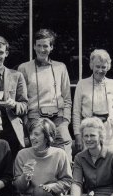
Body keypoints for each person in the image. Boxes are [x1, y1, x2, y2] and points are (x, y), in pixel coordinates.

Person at [55, 117, 113, 196]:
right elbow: (76, 183)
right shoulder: (79, 157)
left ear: (100, 136)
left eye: (92, 135)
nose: (88, 139)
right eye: (86, 136)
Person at [18, 29, 72, 162]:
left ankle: (66, 180)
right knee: (38, 153)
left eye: (46, 46)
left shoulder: (61, 67)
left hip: (58, 118)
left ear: (51, 47)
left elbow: (67, 98)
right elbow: (21, 100)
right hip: (35, 117)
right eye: (39, 45)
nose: (42, 49)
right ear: (34, 46)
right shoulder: (24, 68)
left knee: (64, 149)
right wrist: (26, 123)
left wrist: (65, 121)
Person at [73, 49, 113, 152]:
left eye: (103, 67)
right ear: (91, 65)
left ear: (108, 67)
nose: (100, 70)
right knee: (90, 164)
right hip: (88, 132)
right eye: (97, 66)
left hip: (109, 132)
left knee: (109, 162)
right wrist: (78, 135)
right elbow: (76, 112)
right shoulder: (82, 84)